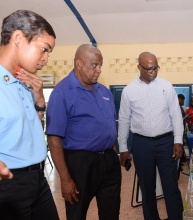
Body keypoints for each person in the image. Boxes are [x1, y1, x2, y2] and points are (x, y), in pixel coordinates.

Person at [46, 44, 121, 220]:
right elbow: (54, 139)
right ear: (79, 64)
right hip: (80, 162)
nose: (99, 70)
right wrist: (65, 179)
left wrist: (113, 154)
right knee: (77, 214)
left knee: (111, 213)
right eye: (94, 65)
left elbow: (109, 126)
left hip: (109, 159)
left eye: (100, 65)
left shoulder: (104, 91)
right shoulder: (62, 92)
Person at [0, 10, 59, 219]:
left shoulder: (25, 82)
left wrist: (40, 103)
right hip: (9, 183)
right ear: (18, 38)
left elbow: (30, 132)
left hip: (37, 178)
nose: (45, 59)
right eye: (44, 49)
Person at [118, 51, 184, 220]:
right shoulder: (129, 91)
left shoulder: (166, 87)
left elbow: (176, 115)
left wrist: (177, 141)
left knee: (171, 187)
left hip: (166, 142)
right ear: (139, 67)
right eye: (149, 69)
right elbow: (124, 120)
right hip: (141, 144)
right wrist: (123, 148)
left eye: (156, 68)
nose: (153, 72)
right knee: (147, 189)